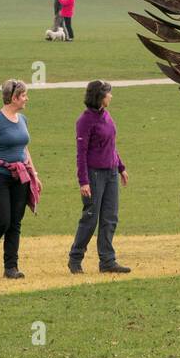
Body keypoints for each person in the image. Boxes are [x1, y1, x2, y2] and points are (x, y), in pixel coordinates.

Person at [0, 79, 42, 279]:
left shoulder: (23, 120)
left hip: (20, 175)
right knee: (2, 220)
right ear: (13, 98)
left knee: (15, 222)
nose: (26, 99)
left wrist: (34, 174)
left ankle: (11, 267)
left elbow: (24, 148)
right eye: (23, 96)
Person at [69, 80, 131, 274]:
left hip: (111, 172)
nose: (111, 96)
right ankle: (75, 258)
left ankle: (107, 261)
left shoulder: (106, 115)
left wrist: (121, 167)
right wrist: (83, 181)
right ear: (99, 97)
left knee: (110, 218)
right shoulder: (85, 121)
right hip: (94, 174)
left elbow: (111, 144)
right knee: (90, 218)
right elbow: (81, 153)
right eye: (108, 93)